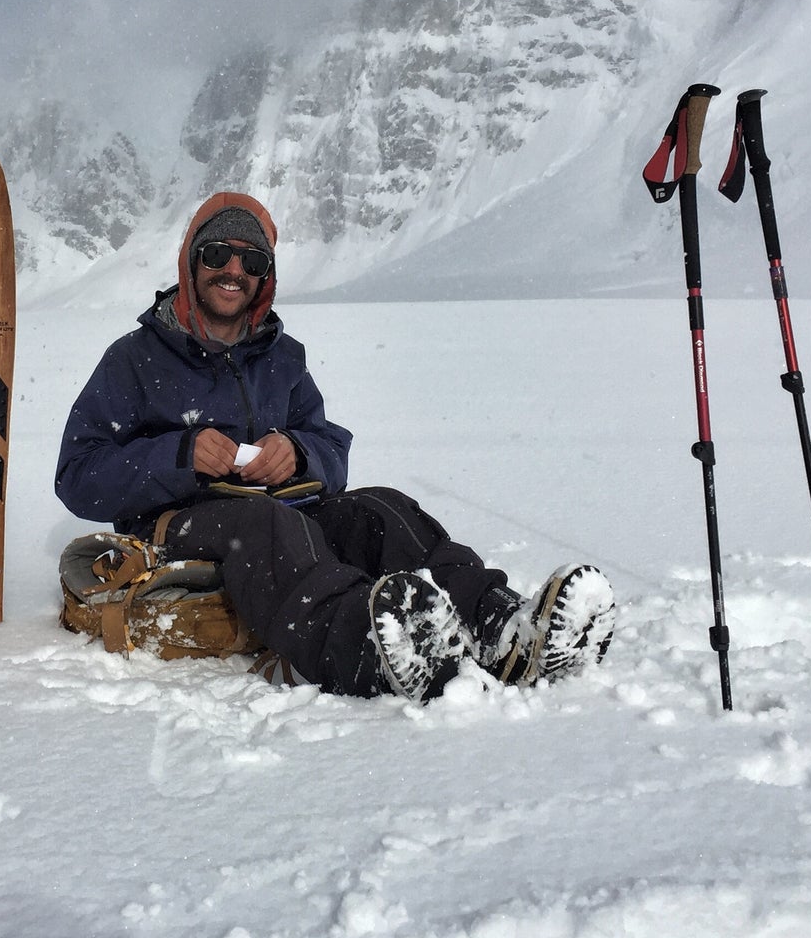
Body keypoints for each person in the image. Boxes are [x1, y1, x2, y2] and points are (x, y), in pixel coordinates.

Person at [54, 192, 616, 702]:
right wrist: (179, 454)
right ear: (190, 262)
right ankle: (369, 650)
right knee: (263, 521)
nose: (233, 270)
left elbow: (330, 449)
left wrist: (298, 452)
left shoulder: (282, 356)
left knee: (380, 509)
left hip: (280, 510)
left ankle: (499, 625)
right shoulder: (135, 358)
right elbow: (76, 475)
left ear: (265, 277)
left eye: (251, 261)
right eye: (217, 254)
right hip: (174, 524)